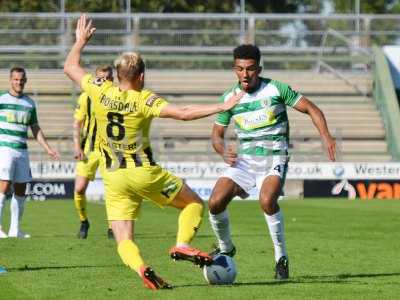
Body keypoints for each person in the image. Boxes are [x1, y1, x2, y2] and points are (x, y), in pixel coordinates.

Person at [63, 15, 242, 290]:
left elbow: (70, 66)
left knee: (124, 239)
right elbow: (182, 113)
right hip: (143, 172)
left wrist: (80, 42)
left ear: (118, 74)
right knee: (193, 204)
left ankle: (141, 268)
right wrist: (221, 107)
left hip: (112, 177)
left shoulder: (99, 89)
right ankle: (182, 244)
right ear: (142, 76)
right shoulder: (144, 98)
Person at [208, 44, 336, 280]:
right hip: (244, 162)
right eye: (239, 69)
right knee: (215, 202)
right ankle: (226, 247)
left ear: (259, 68)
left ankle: (281, 257)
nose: (245, 75)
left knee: (267, 200)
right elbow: (216, 135)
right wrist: (223, 150)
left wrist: (326, 135)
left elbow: (312, 109)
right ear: (234, 69)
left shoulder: (276, 89)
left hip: (274, 157)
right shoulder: (229, 98)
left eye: (250, 69)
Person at [0, 67, 60, 239]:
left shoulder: (29, 103)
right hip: (4, 148)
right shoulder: (2, 99)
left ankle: (14, 230)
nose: (19, 82)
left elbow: (35, 128)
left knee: (21, 190)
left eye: (21, 80)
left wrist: (48, 149)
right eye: (16, 79)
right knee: (3, 187)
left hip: (22, 151)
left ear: (25, 81)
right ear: (10, 80)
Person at [73, 65, 114, 239]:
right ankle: (84, 221)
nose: (105, 81)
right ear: (96, 80)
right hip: (89, 149)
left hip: (110, 151)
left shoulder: (118, 97)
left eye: (108, 78)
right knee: (79, 189)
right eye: (102, 78)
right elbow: (77, 123)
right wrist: (77, 146)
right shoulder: (85, 98)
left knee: (113, 191)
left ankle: (113, 227)